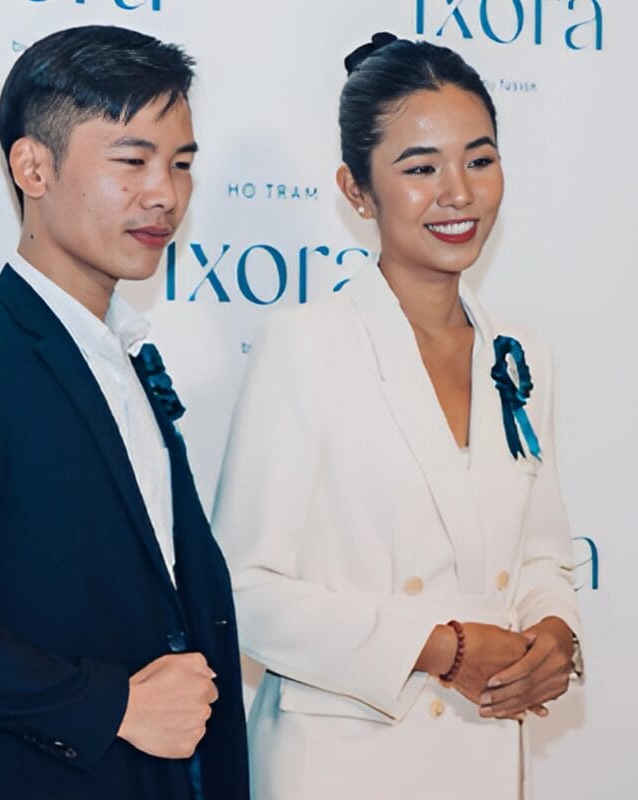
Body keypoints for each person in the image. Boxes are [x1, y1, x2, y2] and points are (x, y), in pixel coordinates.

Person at [0, 25, 248, 800]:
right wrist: (114, 706)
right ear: (33, 166)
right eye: (132, 161)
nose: (165, 194)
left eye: (181, 164)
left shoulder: (128, 356)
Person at [213, 33, 581, 800]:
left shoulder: (522, 357)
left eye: (479, 160)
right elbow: (240, 591)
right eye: (420, 169)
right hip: (342, 767)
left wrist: (556, 632)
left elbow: (542, 557)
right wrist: (437, 648)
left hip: (484, 758)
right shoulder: (307, 344)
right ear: (356, 190)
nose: (459, 193)